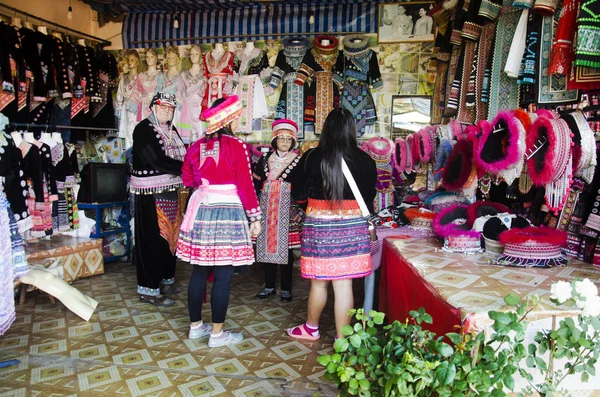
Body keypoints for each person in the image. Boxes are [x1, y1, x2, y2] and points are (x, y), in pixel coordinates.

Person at [177, 95, 262, 348]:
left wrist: (207, 185)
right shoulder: (237, 146)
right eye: (236, 118)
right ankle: (216, 334)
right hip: (228, 212)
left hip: (202, 209)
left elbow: (187, 179)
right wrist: (255, 217)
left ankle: (195, 328)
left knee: (199, 271)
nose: (237, 122)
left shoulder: (195, 146)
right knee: (223, 274)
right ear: (229, 119)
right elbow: (245, 185)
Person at [287, 108, 377, 341]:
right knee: (343, 284)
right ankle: (341, 338)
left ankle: (311, 328)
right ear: (351, 131)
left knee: (318, 284)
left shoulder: (311, 157)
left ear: (326, 129)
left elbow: (296, 192)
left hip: (319, 228)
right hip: (352, 227)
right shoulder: (365, 160)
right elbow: (368, 197)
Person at [131, 92, 186, 306]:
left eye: (171, 108)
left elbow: (183, 155)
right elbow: (155, 160)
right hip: (149, 193)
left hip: (171, 190)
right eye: (163, 107)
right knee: (152, 239)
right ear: (153, 107)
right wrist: (189, 169)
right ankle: (149, 288)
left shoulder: (172, 131)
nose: (167, 111)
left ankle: (165, 279)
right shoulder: (143, 129)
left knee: (169, 237)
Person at [253, 119, 304, 302]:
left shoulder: (298, 161)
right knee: (266, 246)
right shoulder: (264, 159)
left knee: (287, 249)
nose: (284, 142)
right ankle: (268, 286)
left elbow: (301, 186)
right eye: (281, 138)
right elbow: (257, 182)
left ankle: (286, 288)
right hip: (266, 208)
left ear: (293, 142)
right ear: (275, 140)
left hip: (287, 208)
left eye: (288, 139)